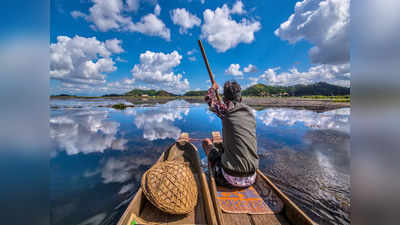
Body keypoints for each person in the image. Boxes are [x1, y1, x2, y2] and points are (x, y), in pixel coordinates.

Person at [202, 80, 258, 187]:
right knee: (224, 146)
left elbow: (208, 99)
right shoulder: (250, 113)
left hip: (228, 178)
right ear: (241, 99)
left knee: (206, 142)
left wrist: (213, 88)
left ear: (224, 99)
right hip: (252, 177)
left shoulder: (226, 109)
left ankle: (213, 170)